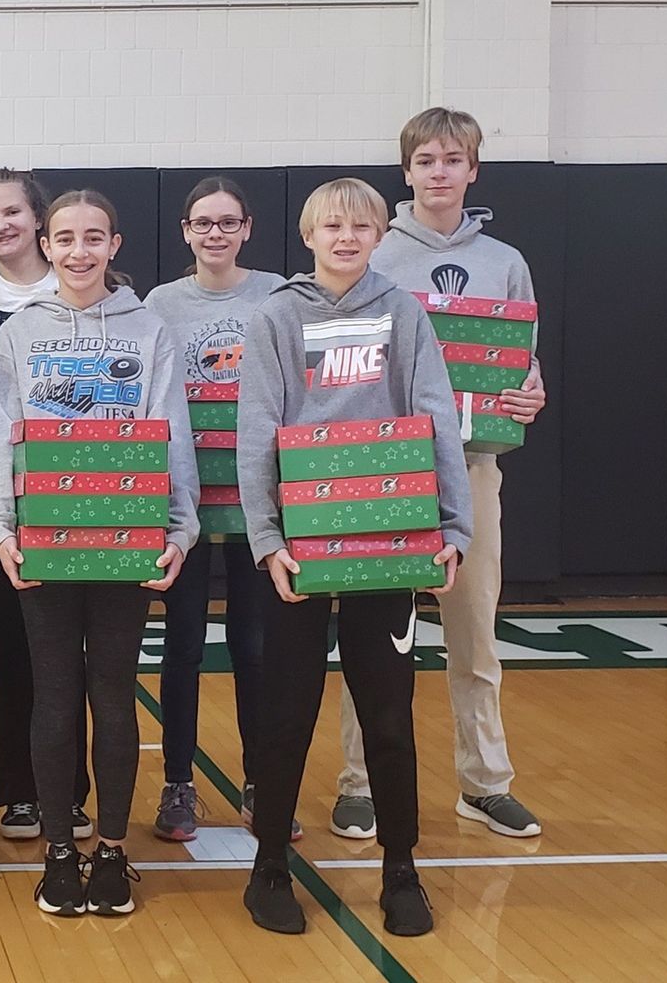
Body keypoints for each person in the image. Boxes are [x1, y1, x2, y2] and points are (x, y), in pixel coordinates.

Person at [237, 178, 471, 938]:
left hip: (389, 544)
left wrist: (451, 528)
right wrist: (268, 541)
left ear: (379, 235)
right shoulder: (276, 315)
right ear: (309, 235)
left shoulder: (403, 312)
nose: (346, 237)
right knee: (286, 713)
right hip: (299, 552)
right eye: (332, 225)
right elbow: (257, 432)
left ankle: (400, 868)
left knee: (389, 715)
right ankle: (270, 863)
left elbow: (436, 416)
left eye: (361, 226)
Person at [333, 107, 547, 842]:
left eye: (453, 160)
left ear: (473, 170)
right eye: (426, 160)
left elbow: (517, 360)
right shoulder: (373, 254)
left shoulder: (505, 262)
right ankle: (359, 784)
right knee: (375, 633)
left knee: (473, 630)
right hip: (386, 469)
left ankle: (484, 784)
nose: (439, 172)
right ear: (407, 171)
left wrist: (530, 390)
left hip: (473, 465)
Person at [0, 189, 198, 917]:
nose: (79, 251)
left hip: (126, 538)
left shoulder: (150, 327)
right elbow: (3, 437)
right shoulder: (17, 333)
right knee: (52, 693)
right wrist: (0, 527)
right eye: (65, 238)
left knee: (112, 691)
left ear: (116, 245)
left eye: (93, 238)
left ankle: (110, 850)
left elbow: (172, 431)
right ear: (46, 245)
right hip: (42, 538)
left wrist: (180, 528)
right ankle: (58, 850)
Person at [142, 177, 287, 842]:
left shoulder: (277, 295)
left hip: (258, 498)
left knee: (257, 649)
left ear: (247, 228)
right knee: (183, 647)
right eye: (203, 223)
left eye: (228, 222)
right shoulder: (160, 304)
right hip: (188, 498)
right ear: (185, 231)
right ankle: (178, 784)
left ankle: (262, 782)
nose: (216, 234)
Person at [0, 168, 94, 845]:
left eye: (11, 212)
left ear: (38, 219)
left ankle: (69, 791)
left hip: (76, 502)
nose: (1, 226)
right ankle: (17, 791)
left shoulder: (87, 290)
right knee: (13, 648)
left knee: (70, 654)